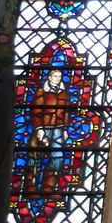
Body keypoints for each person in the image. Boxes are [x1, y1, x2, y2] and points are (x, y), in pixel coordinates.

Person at [25, 67, 71, 195]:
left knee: (58, 158)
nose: (58, 79)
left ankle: (48, 189)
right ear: (49, 77)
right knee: (35, 158)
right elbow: (36, 111)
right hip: (43, 128)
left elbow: (66, 112)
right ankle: (30, 188)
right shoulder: (41, 92)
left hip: (58, 129)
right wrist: (39, 129)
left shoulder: (64, 93)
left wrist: (65, 129)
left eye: (59, 76)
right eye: (55, 76)